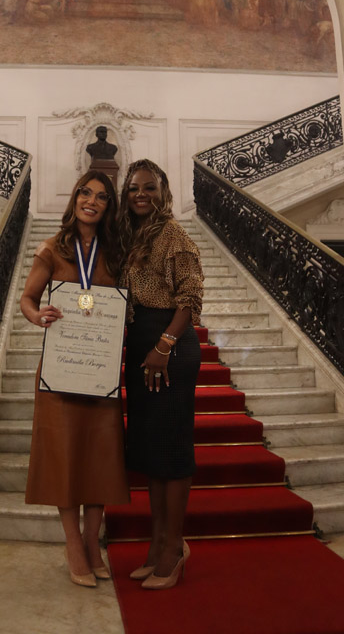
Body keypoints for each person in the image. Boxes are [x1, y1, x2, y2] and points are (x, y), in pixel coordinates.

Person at [21, 170, 129, 588]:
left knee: (100, 456)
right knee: (65, 457)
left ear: (108, 207)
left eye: (102, 197)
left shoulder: (116, 253)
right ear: (75, 198)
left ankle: (91, 540)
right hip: (61, 370)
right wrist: (38, 315)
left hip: (100, 371)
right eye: (86, 193)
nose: (92, 201)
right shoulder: (52, 248)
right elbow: (28, 299)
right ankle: (73, 545)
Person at [118, 159, 204, 590]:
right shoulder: (132, 237)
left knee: (172, 450)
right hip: (141, 345)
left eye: (149, 188)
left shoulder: (174, 235)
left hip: (169, 345)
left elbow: (190, 297)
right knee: (151, 453)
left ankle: (174, 547)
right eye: (134, 187)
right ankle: (156, 545)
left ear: (163, 192)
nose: (140, 194)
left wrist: (164, 347)